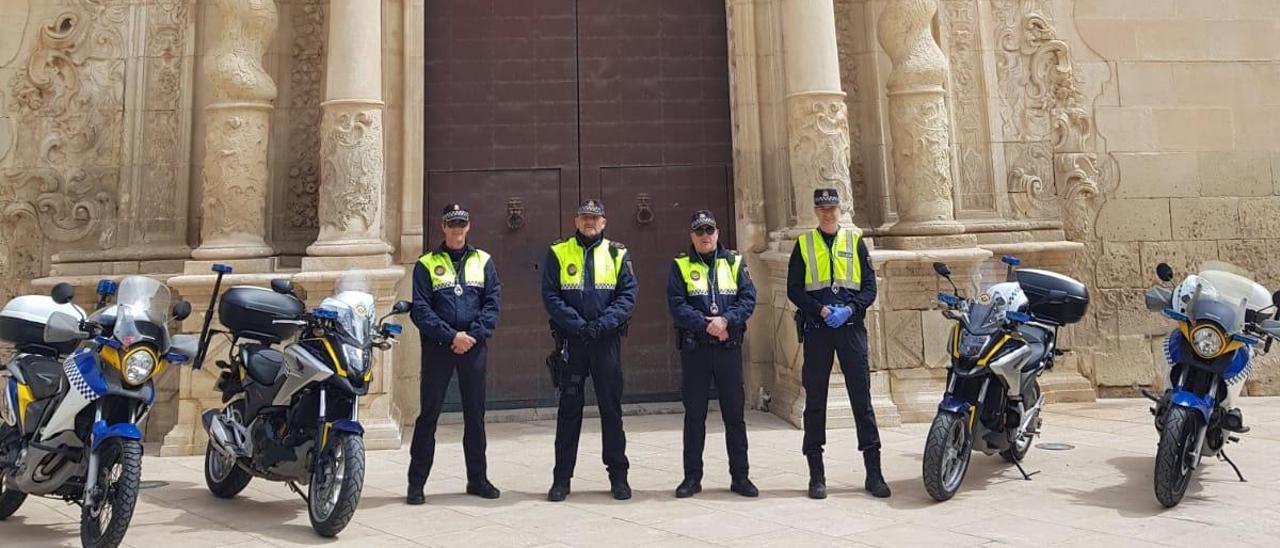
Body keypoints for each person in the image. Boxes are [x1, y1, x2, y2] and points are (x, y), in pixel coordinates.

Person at [786, 188, 891, 499]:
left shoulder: (854, 242)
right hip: (818, 329)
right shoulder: (803, 244)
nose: (828, 213)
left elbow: (869, 288)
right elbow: (794, 289)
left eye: (832, 207)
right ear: (816, 211)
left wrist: (850, 308)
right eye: (822, 208)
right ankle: (816, 476)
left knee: (862, 400)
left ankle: (874, 474)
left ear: (839, 209)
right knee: (815, 402)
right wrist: (818, 309)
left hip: (850, 328)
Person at [541, 199, 638, 502]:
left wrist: (602, 325)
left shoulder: (618, 253)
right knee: (569, 412)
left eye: (595, 218)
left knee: (611, 410)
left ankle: (618, 479)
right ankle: (561, 479)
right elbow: (550, 295)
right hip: (573, 342)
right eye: (584, 217)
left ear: (604, 222)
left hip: (605, 342)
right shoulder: (558, 251)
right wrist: (578, 325)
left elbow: (628, 295)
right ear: (576, 220)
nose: (589, 222)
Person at [406, 204, 501, 505]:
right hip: (439, 348)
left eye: (461, 224)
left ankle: (478, 479)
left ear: (468, 226)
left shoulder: (483, 261)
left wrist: (471, 336)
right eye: (452, 224)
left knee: (475, 415)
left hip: (473, 347)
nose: (457, 229)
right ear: (443, 227)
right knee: (429, 416)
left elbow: (492, 304)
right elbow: (420, 310)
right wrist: (451, 336)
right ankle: (416, 484)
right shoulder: (425, 264)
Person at [666, 210, 758, 498]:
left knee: (734, 416)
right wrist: (708, 326)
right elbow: (677, 304)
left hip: (727, 349)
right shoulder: (680, 265)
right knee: (695, 416)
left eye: (709, 231)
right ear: (692, 236)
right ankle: (692, 478)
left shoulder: (734, 262)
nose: (705, 236)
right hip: (696, 351)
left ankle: (740, 477)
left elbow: (748, 298)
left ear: (717, 233)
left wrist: (726, 321)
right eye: (699, 232)